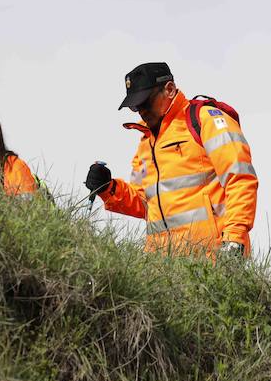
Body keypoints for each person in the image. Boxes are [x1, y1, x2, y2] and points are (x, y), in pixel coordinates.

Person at [85, 62, 258, 258]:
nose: (141, 110)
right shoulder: (146, 141)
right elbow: (144, 201)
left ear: (169, 89)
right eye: (135, 106)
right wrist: (109, 188)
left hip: (214, 260)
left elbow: (241, 179)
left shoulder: (206, 119)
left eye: (145, 101)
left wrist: (235, 238)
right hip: (162, 268)